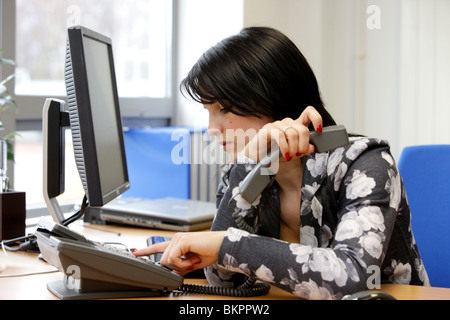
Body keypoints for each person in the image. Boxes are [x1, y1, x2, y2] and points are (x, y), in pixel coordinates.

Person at [134, 27, 430, 299]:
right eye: (208, 110)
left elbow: (353, 276)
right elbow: (220, 279)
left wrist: (227, 245)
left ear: (274, 97)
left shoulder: (365, 164)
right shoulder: (239, 171)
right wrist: (249, 163)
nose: (213, 128)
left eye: (224, 108)